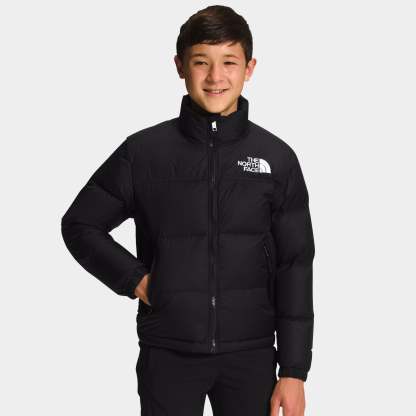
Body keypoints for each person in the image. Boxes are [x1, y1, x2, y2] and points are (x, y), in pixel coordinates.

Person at [61, 5, 315, 416]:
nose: (215, 77)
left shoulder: (276, 158)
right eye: (201, 62)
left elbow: (295, 265)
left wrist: (294, 371)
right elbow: (80, 224)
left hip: (250, 355)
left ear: (249, 68)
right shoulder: (143, 154)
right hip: (168, 352)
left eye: (229, 62)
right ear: (180, 66)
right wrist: (138, 280)